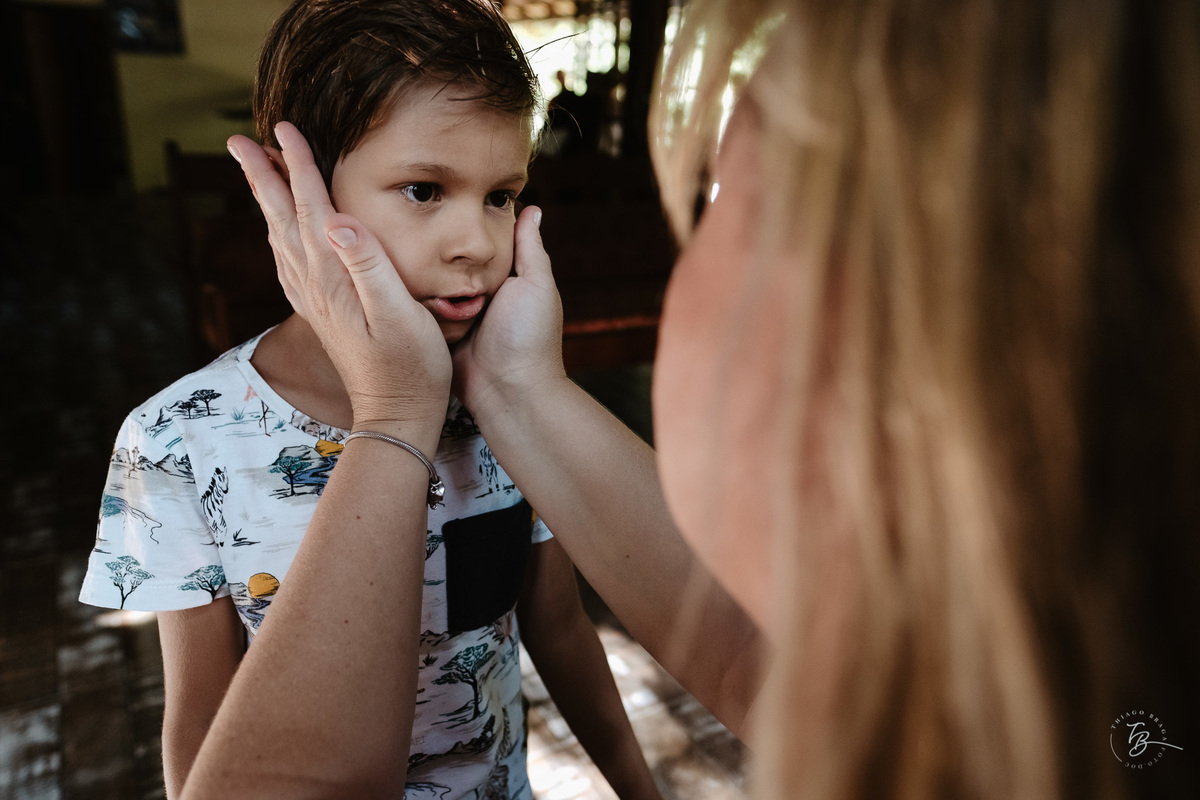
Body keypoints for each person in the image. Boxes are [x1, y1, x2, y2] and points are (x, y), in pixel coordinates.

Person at [194, 0, 1200, 798]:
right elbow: (764, 665)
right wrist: (509, 383)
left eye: (720, 192)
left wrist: (390, 416)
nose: (484, 240)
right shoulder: (1090, 734)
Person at [78, 2, 664, 798]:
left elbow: (556, 627)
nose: (478, 244)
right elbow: (200, 721)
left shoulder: (510, 407)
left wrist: (641, 787)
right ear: (298, 193)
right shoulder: (178, 441)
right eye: (424, 189)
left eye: (501, 196)